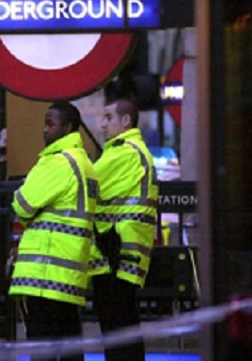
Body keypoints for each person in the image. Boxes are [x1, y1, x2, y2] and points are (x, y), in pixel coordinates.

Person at [10, 101, 98, 361]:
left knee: (41, 348)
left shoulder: (57, 162)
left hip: (44, 271)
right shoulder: (85, 163)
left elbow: (22, 204)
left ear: (68, 127)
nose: (44, 130)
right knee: (70, 345)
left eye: (51, 123)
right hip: (70, 272)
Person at [88, 98, 158, 361]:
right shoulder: (135, 151)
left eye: (108, 117)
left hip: (117, 251)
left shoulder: (123, 152)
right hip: (127, 251)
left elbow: (85, 183)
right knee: (125, 324)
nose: (103, 124)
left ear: (125, 121)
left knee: (116, 327)